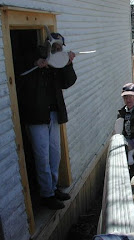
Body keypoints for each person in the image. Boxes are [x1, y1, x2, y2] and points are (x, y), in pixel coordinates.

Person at [18, 32, 77, 210]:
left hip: (53, 114)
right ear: (48, 45)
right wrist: (35, 64)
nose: (58, 50)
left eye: (60, 48)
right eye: (56, 47)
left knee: (55, 153)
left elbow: (68, 82)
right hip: (36, 116)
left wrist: (68, 64)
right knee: (42, 156)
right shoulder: (32, 57)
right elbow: (18, 71)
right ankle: (46, 194)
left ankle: (53, 187)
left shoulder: (57, 63)